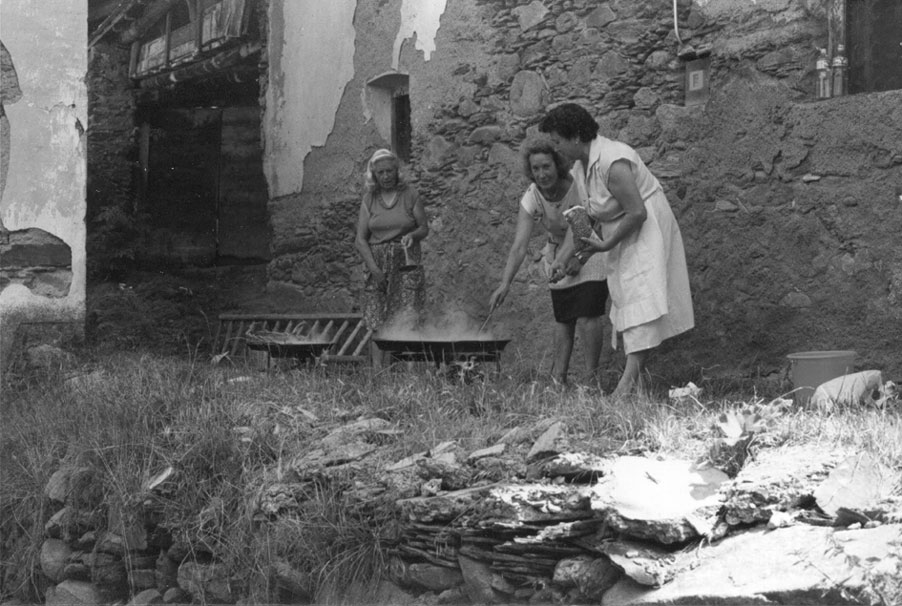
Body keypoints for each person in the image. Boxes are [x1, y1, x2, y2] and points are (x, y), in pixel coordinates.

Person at [542, 103, 694, 398]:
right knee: (628, 295)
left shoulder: (612, 160)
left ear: (575, 137)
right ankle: (631, 384)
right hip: (623, 230)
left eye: (558, 141)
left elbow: (637, 212)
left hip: (647, 228)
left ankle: (625, 388)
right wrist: (564, 259)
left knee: (640, 295)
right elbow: (587, 219)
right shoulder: (580, 168)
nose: (556, 148)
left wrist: (607, 244)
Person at [489, 138, 608, 385]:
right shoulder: (532, 196)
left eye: (546, 167)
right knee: (563, 318)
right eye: (536, 169)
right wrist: (505, 284)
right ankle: (558, 381)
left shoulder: (576, 185)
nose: (542, 174)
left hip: (591, 246)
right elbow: (519, 246)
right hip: (557, 253)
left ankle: (590, 381)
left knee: (588, 315)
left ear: (558, 165)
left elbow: (582, 228)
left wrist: (577, 259)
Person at [355, 148, 429, 367]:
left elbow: (424, 228)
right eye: (380, 173)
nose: (385, 176)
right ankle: (378, 373)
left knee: (408, 313)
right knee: (376, 318)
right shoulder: (370, 199)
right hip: (377, 264)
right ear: (374, 175)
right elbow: (360, 240)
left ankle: (410, 372)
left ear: (397, 171)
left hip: (405, 262)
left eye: (389, 171)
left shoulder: (410, 195)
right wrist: (374, 269)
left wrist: (412, 235)